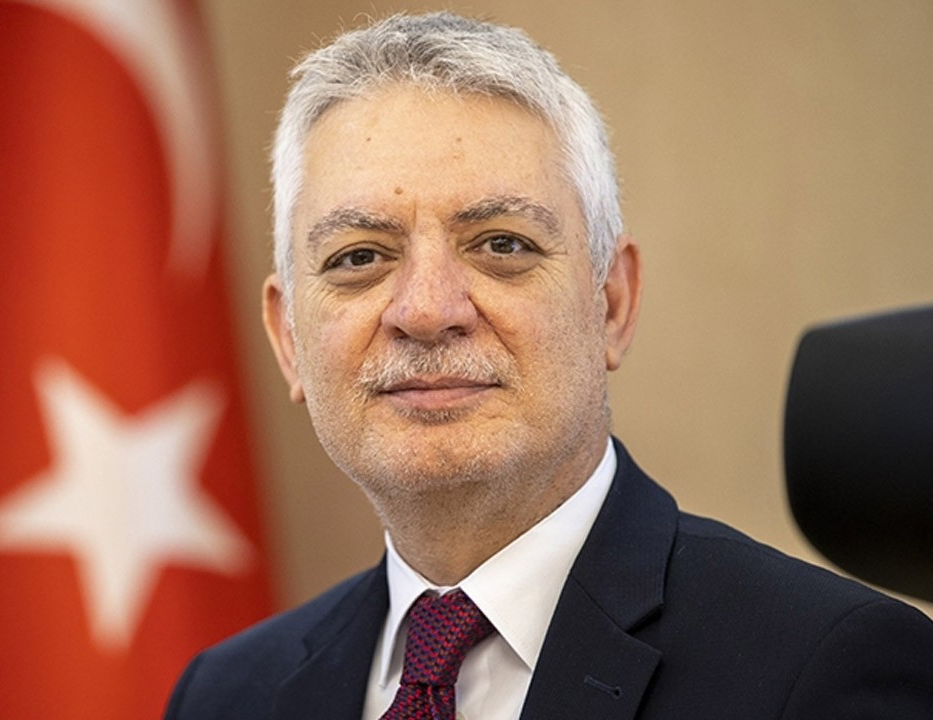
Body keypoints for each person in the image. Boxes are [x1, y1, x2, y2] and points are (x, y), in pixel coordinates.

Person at [164, 12, 933, 720]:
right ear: (288, 338)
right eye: (360, 257)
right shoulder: (225, 696)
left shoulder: (825, 672)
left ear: (612, 303)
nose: (426, 310)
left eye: (502, 245)